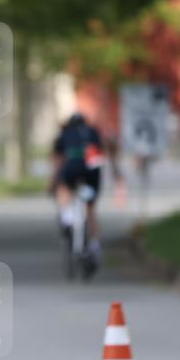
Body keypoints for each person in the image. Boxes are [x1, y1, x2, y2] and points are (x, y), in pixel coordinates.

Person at [49, 111, 104, 263]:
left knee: (64, 188)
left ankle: (67, 219)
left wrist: (53, 182)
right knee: (90, 207)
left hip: (72, 168)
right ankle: (94, 244)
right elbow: (98, 156)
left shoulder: (65, 134)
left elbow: (58, 160)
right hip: (91, 171)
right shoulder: (93, 133)